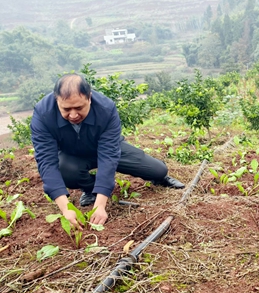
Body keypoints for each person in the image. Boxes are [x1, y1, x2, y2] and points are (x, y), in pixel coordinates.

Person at [31, 73, 184, 228]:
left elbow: (109, 156)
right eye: (66, 109)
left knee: (158, 170)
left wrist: (100, 206)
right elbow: (46, 162)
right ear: (57, 100)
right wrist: (66, 208)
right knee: (65, 170)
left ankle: (157, 177)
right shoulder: (43, 114)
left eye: (79, 108)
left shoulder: (106, 108)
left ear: (89, 98)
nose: (73, 115)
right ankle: (90, 189)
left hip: (105, 148)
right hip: (73, 154)